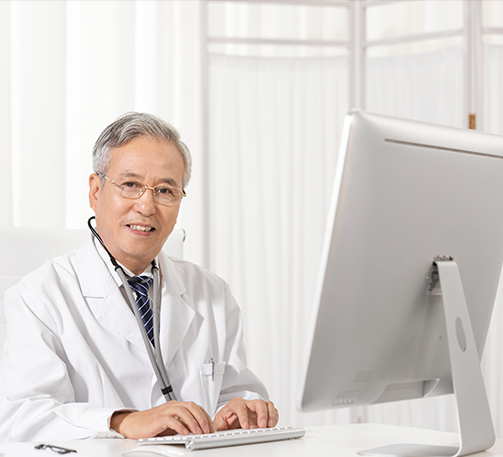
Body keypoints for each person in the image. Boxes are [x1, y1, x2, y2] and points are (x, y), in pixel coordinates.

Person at [0, 112, 278, 442]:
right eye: (130, 185)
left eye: (165, 190)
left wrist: (240, 411)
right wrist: (124, 422)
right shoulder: (38, 297)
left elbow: (233, 394)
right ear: (95, 191)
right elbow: (22, 418)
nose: (146, 206)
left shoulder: (212, 291)